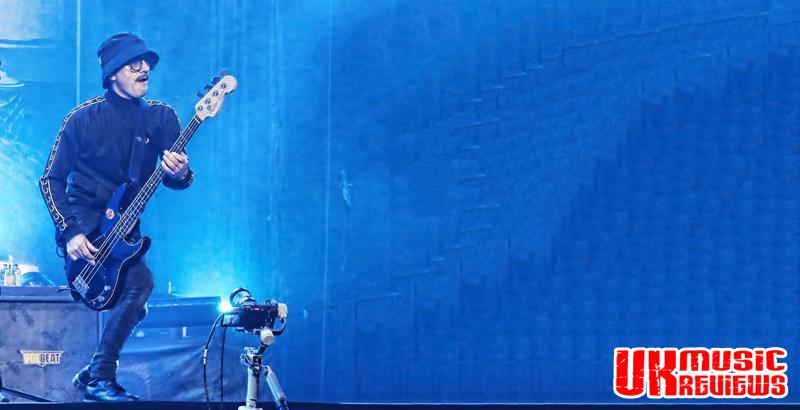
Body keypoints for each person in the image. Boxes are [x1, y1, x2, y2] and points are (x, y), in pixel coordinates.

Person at [38, 32, 194, 401]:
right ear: (112, 74)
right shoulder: (82, 119)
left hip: (125, 224)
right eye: (134, 63)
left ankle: (96, 372)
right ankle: (99, 376)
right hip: (86, 227)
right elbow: (50, 180)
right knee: (139, 286)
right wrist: (70, 232)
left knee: (137, 298)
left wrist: (181, 172)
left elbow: (179, 179)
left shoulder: (161, 117)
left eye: (147, 63)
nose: (144, 69)